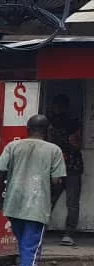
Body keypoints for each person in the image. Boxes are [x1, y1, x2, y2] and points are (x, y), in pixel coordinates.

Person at [0, 114, 67, 266]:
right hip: (37, 205)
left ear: (27, 129)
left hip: (14, 205)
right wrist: (51, 200)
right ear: (48, 131)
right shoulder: (54, 150)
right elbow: (58, 181)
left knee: (26, 245)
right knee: (31, 248)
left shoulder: (13, 146)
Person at [47, 94, 84, 246]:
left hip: (67, 166)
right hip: (68, 165)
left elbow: (76, 143)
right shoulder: (53, 123)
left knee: (52, 200)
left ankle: (65, 233)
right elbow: (76, 143)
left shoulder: (53, 124)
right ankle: (68, 234)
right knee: (68, 201)